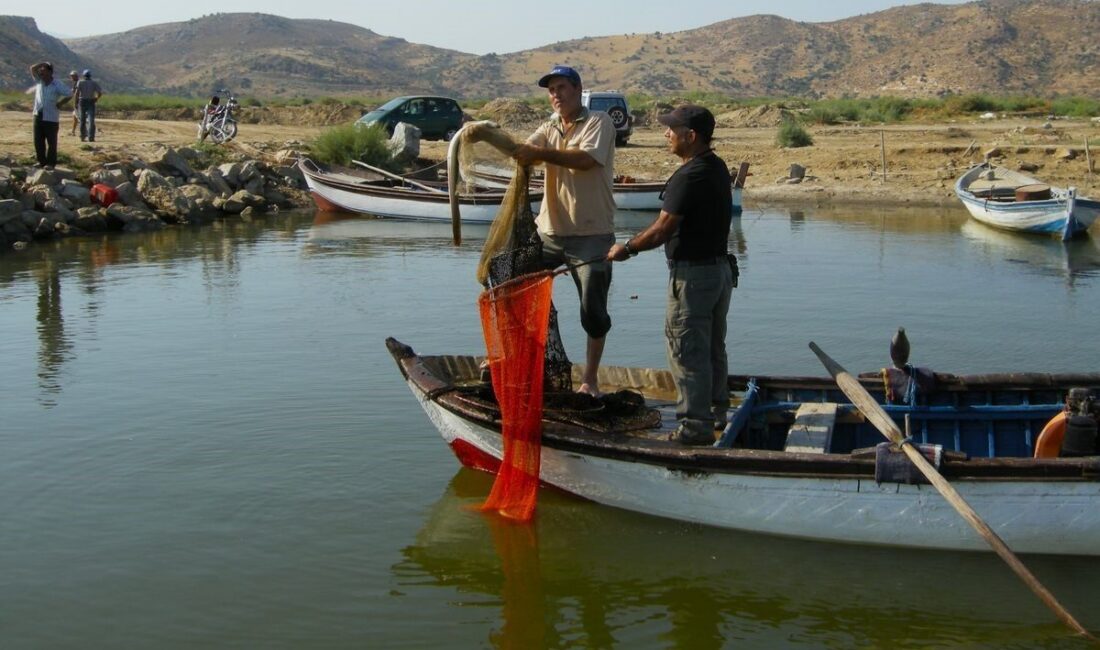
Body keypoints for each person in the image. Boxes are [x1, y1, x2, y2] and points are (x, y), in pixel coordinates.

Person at [606, 105, 735, 445]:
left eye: (672, 129)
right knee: (711, 348)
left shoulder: (689, 176)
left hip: (693, 278)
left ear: (691, 136)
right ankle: (717, 412)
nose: (666, 134)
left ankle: (694, 429)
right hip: (719, 273)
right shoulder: (717, 167)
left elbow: (662, 229)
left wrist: (627, 248)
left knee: (687, 351)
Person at [511, 65, 616, 397]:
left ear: (577, 89)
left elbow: (585, 159)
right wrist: (486, 135)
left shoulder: (600, 122)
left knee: (592, 311)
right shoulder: (548, 126)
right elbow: (526, 151)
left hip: (591, 235)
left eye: (560, 88)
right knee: (513, 288)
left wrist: (538, 153)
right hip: (549, 234)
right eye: (550, 90)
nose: (555, 95)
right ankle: (511, 360)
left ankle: (590, 379)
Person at [28, 61, 71, 170]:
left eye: (43, 70)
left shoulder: (57, 84)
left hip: (51, 116)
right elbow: (32, 68)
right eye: (40, 71)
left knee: (51, 142)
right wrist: (42, 63)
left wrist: (61, 103)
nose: (41, 72)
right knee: (38, 140)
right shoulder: (39, 81)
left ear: (50, 72)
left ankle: (50, 163)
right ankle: (41, 162)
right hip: (38, 114)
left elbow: (69, 93)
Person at [75, 69, 103, 142]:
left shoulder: (80, 82)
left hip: (82, 101)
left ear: (84, 76)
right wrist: (96, 99)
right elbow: (99, 93)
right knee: (91, 120)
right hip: (91, 101)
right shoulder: (94, 83)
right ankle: (91, 137)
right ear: (90, 76)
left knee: (82, 120)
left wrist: (75, 103)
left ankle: (82, 137)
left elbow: (77, 93)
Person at [67, 70, 79, 136]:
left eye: (72, 76)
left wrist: (75, 104)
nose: (71, 77)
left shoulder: (77, 83)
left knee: (77, 117)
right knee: (75, 117)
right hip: (78, 103)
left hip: (78, 103)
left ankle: (74, 131)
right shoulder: (76, 83)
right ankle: (73, 131)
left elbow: (76, 94)